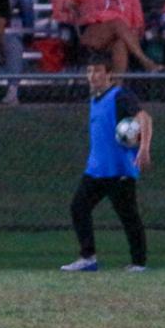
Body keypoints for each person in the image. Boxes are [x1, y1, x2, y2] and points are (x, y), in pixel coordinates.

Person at [60, 61, 152, 273]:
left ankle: (139, 263)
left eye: (98, 71)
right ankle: (88, 258)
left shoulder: (120, 96)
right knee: (78, 208)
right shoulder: (95, 99)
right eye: (89, 71)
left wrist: (144, 148)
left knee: (128, 216)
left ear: (109, 74)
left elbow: (144, 118)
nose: (93, 75)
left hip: (119, 170)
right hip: (96, 170)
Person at [53, 0, 158, 74]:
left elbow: (138, 22)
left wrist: (136, 34)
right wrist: (65, 10)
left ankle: (116, 87)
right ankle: (146, 61)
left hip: (123, 35)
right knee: (116, 22)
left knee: (120, 44)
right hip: (93, 33)